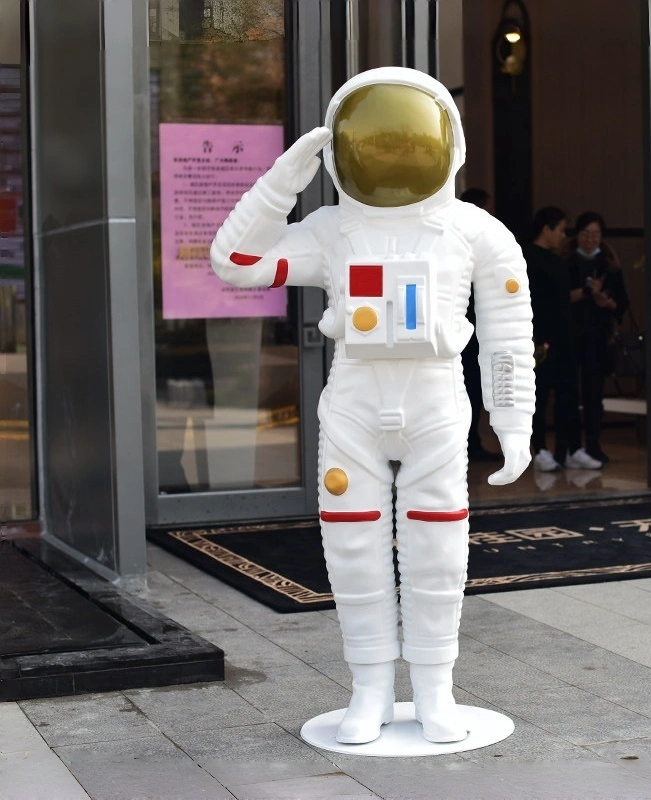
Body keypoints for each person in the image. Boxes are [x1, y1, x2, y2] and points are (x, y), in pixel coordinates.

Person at [210, 67, 535, 745]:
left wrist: (513, 421)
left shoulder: (476, 231)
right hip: (355, 401)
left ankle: (436, 688)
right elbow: (236, 262)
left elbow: (507, 333)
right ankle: (369, 688)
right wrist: (280, 184)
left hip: (436, 401)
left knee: (438, 548)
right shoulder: (330, 229)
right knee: (353, 544)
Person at [524, 207, 602, 472]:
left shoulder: (557, 260)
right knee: (540, 394)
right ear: (546, 229)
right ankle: (539, 449)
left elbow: (563, 297)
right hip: (540, 338)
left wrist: (588, 292)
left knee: (569, 392)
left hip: (564, 336)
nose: (563, 235)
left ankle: (571, 448)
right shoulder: (527, 259)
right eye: (560, 229)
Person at [565, 211, 629, 464]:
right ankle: (570, 445)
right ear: (577, 235)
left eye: (595, 235)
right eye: (585, 234)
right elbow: (558, 299)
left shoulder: (609, 264)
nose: (590, 240)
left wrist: (609, 303)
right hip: (571, 335)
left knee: (594, 394)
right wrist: (585, 293)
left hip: (598, 337)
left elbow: (623, 301)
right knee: (569, 392)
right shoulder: (567, 261)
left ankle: (593, 443)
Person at [459, 187, 499, 460]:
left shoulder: (487, 245)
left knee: (476, 388)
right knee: (462, 387)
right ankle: (462, 443)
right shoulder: (454, 243)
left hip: (480, 330)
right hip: (460, 328)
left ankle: (472, 441)